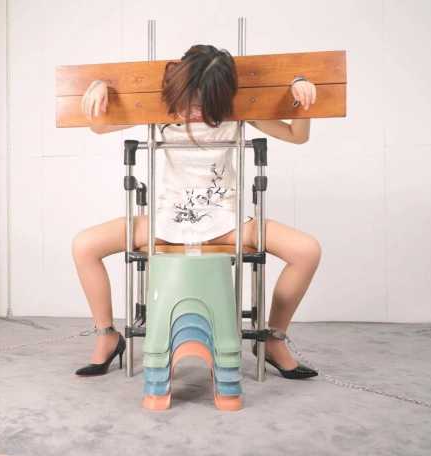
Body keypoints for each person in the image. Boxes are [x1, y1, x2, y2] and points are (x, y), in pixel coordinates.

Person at [72, 45, 321, 379]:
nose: (190, 112)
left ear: (221, 99)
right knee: (84, 245)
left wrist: (301, 94)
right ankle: (107, 337)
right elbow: (98, 127)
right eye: (187, 101)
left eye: (201, 106)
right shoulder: (160, 107)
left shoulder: (239, 110)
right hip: (167, 220)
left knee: (307, 250)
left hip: (225, 221)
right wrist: (98, 86)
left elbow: (296, 136)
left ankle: (273, 341)